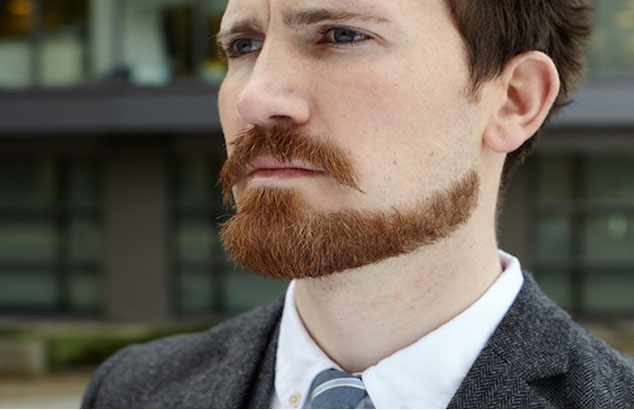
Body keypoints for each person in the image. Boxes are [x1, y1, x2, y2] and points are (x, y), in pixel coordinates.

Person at [82, 0, 634, 408]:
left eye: (341, 35)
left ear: (514, 100)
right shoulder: (131, 391)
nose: (254, 99)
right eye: (242, 47)